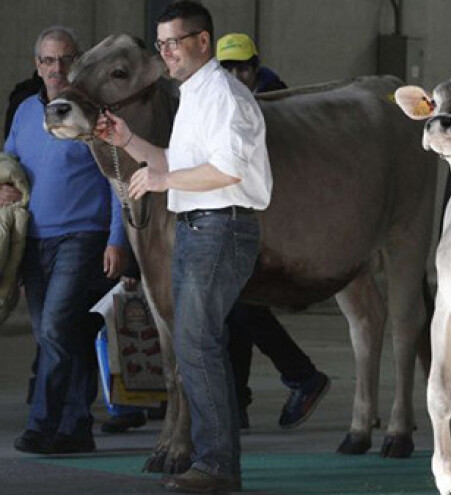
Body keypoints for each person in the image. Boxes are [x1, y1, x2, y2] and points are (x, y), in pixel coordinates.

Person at [96, 2, 272, 492]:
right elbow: (175, 159)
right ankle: (216, 461)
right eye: (161, 44)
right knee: (195, 345)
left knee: (197, 345)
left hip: (221, 226)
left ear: (203, 42)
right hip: (201, 227)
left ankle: (217, 465)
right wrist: (128, 139)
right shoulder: (194, 94)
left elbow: (229, 168)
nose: (166, 53)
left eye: (175, 42)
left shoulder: (221, 94)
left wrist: (163, 179)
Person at [4, 25, 129, 455]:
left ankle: (42, 423)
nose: (57, 69)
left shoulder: (95, 111)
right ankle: (77, 427)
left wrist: (117, 239)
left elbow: (117, 177)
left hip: (84, 236)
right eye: (48, 60)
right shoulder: (23, 112)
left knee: (56, 327)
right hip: (35, 241)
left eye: (66, 59)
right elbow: (9, 165)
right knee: (60, 334)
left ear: (79, 62)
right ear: (36, 66)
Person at [215, 32, 329, 430]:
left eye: (242, 67)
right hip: (241, 219)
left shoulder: (275, 104)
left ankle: (301, 376)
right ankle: (239, 401)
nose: (235, 75)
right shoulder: (225, 102)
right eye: (226, 68)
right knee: (238, 310)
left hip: (267, 221)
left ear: (255, 66)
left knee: (239, 305)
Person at [215, 32, 287, 93]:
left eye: (242, 69)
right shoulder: (210, 97)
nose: (235, 77)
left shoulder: (279, 99)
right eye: (227, 70)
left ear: (256, 68)